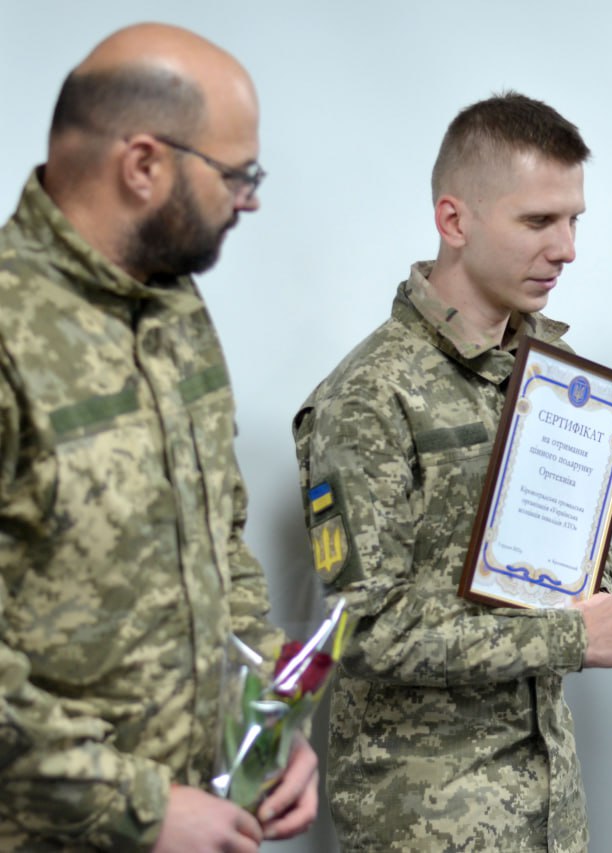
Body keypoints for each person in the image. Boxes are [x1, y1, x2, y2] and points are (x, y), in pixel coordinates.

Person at [292, 91, 612, 853]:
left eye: (574, 219)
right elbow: (364, 631)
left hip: (552, 811)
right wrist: (574, 635)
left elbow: (578, 574)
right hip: (426, 822)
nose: (567, 248)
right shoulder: (370, 395)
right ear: (454, 221)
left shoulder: (557, 379)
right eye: (538, 220)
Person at [0, 23, 317, 853]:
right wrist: (136, 804)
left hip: (201, 816)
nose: (249, 199)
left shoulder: (174, 309)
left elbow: (220, 542)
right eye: (236, 173)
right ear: (143, 165)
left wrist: (270, 720)